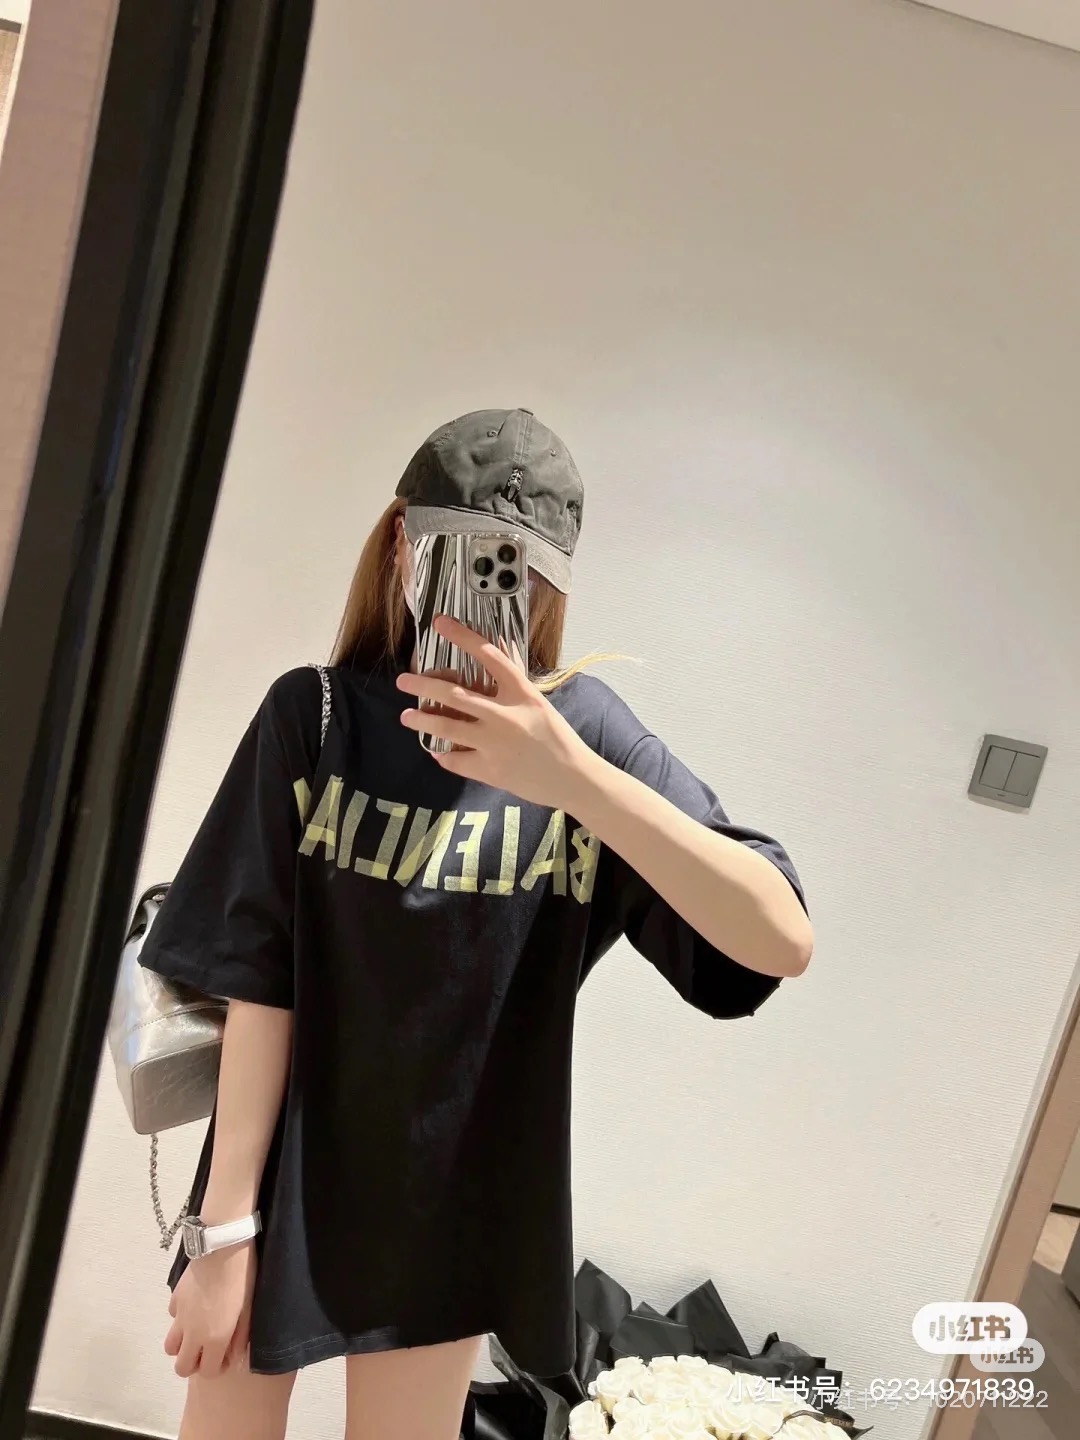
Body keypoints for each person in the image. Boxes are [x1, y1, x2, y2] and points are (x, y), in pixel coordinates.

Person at [142, 408, 813, 1440]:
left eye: (513, 568)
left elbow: (779, 940)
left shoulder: (584, 736)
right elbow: (260, 980)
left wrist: (572, 777)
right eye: (458, 553)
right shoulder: (312, 717)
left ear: (549, 585)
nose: (487, 590)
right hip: (279, 1173)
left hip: (454, 1202)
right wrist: (223, 1231)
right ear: (401, 544)